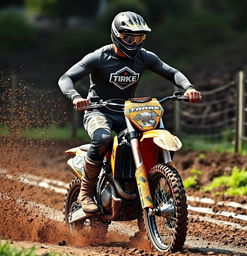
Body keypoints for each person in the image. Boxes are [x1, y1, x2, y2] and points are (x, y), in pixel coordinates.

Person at [58, 11, 201, 213]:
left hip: (127, 112)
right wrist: (76, 97)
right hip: (98, 111)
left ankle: (145, 190)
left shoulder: (144, 57)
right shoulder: (99, 57)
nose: (134, 43)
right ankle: (86, 193)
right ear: (116, 35)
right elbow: (66, 78)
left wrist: (189, 87)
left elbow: (172, 72)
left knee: (147, 141)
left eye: (140, 38)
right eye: (129, 38)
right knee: (103, 138)